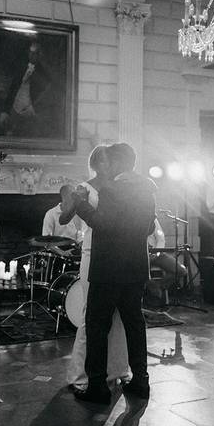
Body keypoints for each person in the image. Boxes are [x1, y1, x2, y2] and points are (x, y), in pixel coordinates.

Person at [71, 142, 156, 404]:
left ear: (117, 163)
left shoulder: (111, 190)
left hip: (108, 269)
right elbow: (150, 228)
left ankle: (97, 386)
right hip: (135, 268)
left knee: (97, 327)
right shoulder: (147, 190)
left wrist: (83, 206)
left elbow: (102, 224)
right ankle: (140, 381)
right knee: (134, 324)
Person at [59, 146, 130, 391]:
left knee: (117, 313)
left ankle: (117, 369)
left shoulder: (121, 186)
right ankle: (83, 374)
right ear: (99, 164)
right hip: (94, 252)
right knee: (93, 314)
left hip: (119, 254)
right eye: (108, 160)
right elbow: (63, 218)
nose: (112, 164)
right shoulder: (85, 187)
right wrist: (75, 200)